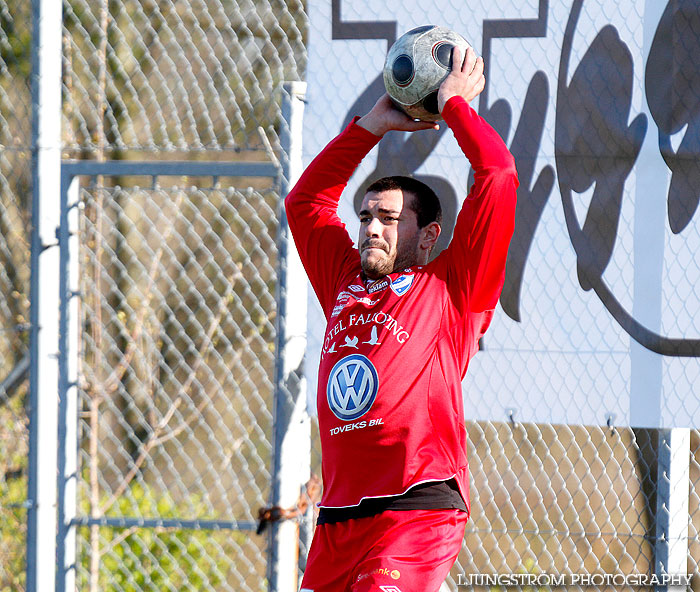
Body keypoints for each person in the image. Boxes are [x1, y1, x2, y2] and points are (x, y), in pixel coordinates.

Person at [286, 46, 518, 592]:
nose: (370, 228)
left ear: (429, 235)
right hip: (340, 516)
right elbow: (306, 204)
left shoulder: (453, 287)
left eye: (389, 219)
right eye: (365, 216)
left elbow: (498, 173)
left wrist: (454, 105)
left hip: (417, 505)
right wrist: (372, 125)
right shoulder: (343, 280)